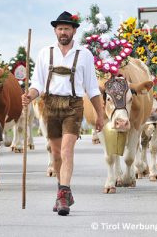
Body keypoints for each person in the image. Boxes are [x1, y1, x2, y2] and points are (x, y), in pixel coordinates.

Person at [21, 11, 104, 216]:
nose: (63, 32)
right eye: (60, 28)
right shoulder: (45, 53)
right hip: (50, 105)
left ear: (74, 31)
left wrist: (100, 115)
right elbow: (37, 84)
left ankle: (63, 194)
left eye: (67, 28)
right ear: (55, 31)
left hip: (73, 106)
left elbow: (92, 88)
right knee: (56, 153)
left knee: (67, 150)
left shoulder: (84, 54)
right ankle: (63, 191)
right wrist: (29, 96)